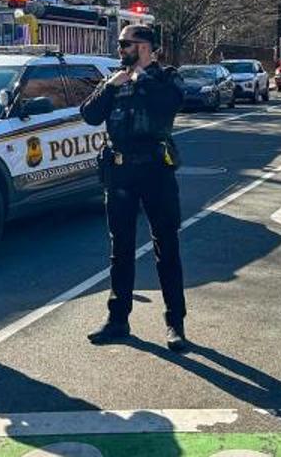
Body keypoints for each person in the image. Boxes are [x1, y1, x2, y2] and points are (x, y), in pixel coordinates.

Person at [80, 24, 189, 351]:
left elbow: (169, 105)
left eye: (125, 44)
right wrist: (111, 87)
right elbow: (89, 114)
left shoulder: (167, 78)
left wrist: (142, 79)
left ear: (145, 47)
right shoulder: (115, 79)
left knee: (166, 246)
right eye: (120, 44)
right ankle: (117, 320)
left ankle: (175, 323)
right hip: (120, 171)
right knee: (121, 248)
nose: (120, 48)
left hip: (156, 169)